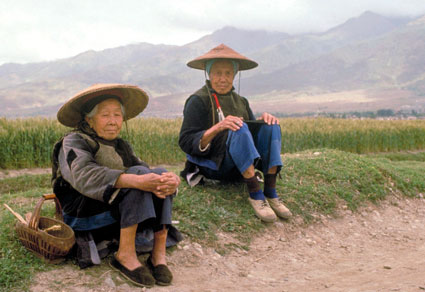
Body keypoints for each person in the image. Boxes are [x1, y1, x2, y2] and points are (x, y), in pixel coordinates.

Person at [52, 84, 181, 288]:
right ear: (89, 119)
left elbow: (146, 172)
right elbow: (84, 176)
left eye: (117, 115)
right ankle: (125, 255)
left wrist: (170, 180)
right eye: (105, 115)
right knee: (138, 176)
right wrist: (135, 180)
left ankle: (158, 254)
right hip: (82, 213)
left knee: (159, 174)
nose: (113, 121)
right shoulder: (74, 141)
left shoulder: (121, 146)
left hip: (115, 211)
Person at [179, 44, 292, 223]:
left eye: (228, 73)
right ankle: (256, 195)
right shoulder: (197, 100)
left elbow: (251, 137)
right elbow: (185, 141)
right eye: (217, 73)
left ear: (234, 75)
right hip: (212, 166)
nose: (223, 78)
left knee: (271, 126)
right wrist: (218, 127)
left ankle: (271, 192)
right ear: (209, 74)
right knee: (238, 127)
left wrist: (263, 123)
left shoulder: (241, 102)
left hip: (238, 168)